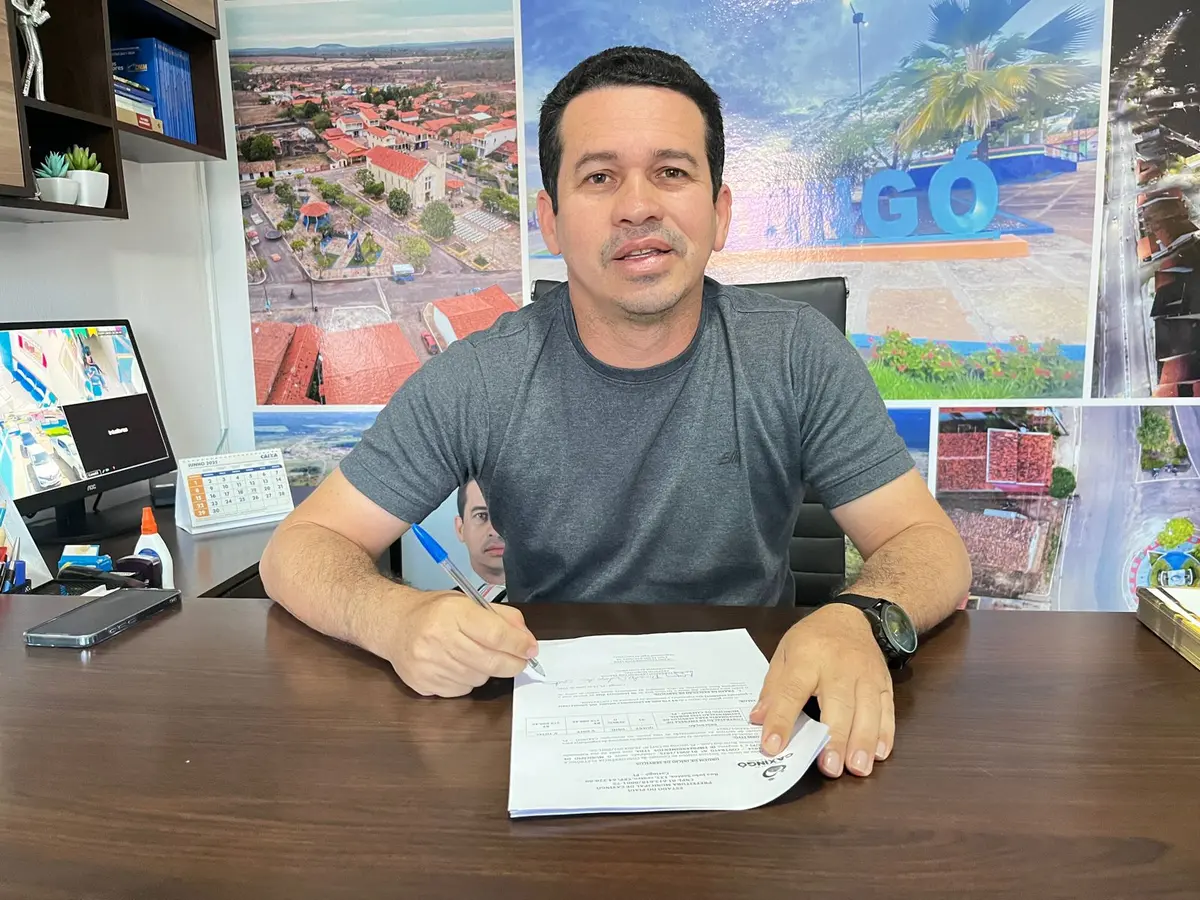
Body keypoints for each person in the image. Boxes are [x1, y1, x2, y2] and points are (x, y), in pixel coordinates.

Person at [261, 46, 971, 780]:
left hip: (757, 720)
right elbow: (299, 550)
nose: (638, 206)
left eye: (672, 172)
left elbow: (930, 547)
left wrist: (861, 617)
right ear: (551, 220)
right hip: (549, 722)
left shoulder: (795, 354)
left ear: (720, 212)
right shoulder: (480, 376)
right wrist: (396, 618)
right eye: (599, 177)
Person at [453, 479, 507, 601]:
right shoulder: (441, 607)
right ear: (460, 529)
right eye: (481, 515)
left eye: (507, 516)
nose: (495, 531)